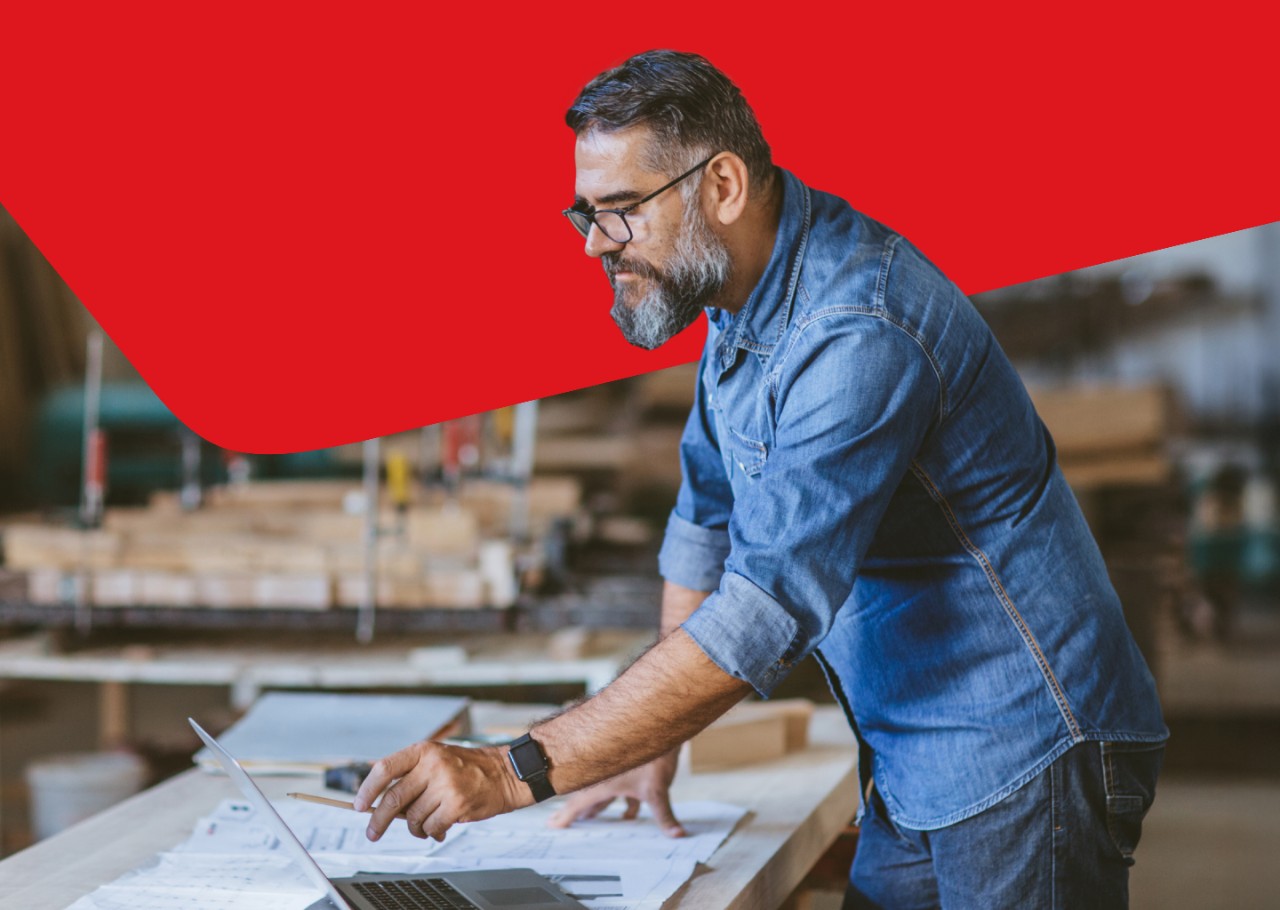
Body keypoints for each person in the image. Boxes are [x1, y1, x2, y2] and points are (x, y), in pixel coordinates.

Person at [356, 50, 1167, 908]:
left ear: (724, 188)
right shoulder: (741, 293)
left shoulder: (858, 331)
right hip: (916, 748)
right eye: (586, 213)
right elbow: (705, 519)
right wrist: (643, 748)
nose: (596, 242)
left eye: (622, 210)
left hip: (1025, 751)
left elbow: (762, 613)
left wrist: (514, 770)